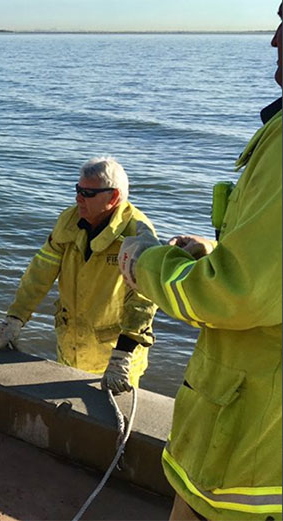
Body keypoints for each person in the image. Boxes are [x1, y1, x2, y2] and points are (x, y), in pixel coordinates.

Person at [118, 7, 282, 520]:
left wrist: (145, 264)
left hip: (248, 464)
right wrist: (216, 254)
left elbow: (236, 295)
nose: (275, 40)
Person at [0, 157, 158, 392]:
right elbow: (40, 272)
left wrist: (122, 355)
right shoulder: (69, 221)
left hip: (115, 359)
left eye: (87, 193)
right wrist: (15, 318)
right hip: (69, 346)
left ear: (113, 197)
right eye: (78, 190)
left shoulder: (138, 235)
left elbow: (143, 301)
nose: (78, 198)